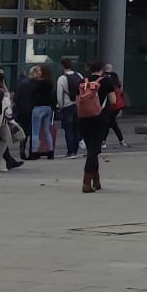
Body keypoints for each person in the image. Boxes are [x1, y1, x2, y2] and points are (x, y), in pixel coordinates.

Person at [76, 64, 110, 192]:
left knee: (91, 148)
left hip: (84, 119)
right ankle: (86, 182)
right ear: (101, 70)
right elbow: (112, 100)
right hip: (100, 119)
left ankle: (96, 181)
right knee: (93, 150)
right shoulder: (106, 82)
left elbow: (77, 101)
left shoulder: (82, 82)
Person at [23, 63, 55, 158]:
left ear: (43, 72)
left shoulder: (38, 83)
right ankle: (51, 151)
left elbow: (32, 93)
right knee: (46, 130)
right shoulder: (50, 82)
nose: (39, 72)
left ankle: (34, 152)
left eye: (40, 70)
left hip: (38, 107)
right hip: (48, 107)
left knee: (35, 131)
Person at [56, 57, 83, 157]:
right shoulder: (79, 75)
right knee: (77, 128)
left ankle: (70, 151)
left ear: (62, 66)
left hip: (67, 106)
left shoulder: (62, 78)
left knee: (68, 129)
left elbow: (59, 96)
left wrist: (61, 107)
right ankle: (75, 150)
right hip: (78, 105)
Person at [100, 62, 128, 147]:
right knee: (111, 123)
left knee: (110, 123)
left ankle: (104, 142)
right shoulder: (114, 76)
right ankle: (121, 141)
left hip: (110, 104)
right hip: (118, 103)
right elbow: (119, 86)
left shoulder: (103, 77)